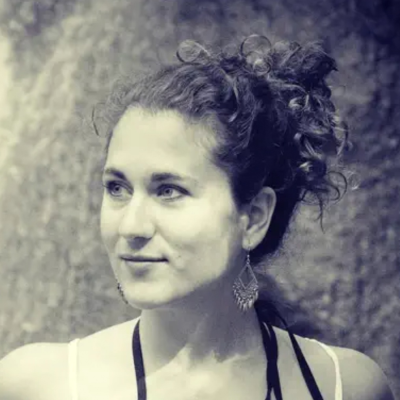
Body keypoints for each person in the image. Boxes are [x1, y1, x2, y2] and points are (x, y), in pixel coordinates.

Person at [0, 35, 394, 400]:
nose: (131, 227)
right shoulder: (38, 385)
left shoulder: (343, 386)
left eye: (168, 191)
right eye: (117, 188)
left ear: (254, 217)